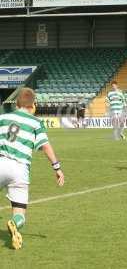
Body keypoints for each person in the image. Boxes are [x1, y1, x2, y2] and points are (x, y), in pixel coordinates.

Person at [0, 88, 64, 250]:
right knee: (20, 212)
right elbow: (45, 146)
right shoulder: (36, 122)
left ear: (16, 103)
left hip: (2, 162)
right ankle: (15, 223)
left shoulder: (4, 117)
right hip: (21, 169)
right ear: (33, 104)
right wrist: (57, 168)